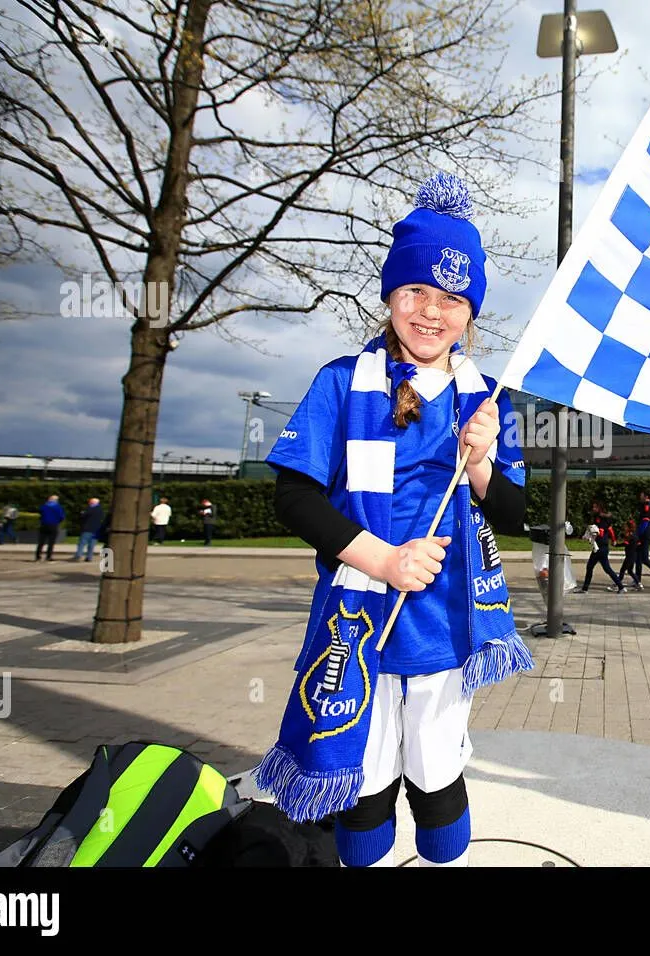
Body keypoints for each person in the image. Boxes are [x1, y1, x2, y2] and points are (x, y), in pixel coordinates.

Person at [252, 173, 532, 868]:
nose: (430, 312)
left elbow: (516, 514)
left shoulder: (486, 399)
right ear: (388, 296)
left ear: (471, 313)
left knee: (437, 779)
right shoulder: (342, 382)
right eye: (414, 292)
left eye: (451, 298)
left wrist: (480, 462)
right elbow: (292, 496)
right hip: (360, 621)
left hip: (445, 621)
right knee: (366, 785)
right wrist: (380, 559)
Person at [576, 501, 623, 593]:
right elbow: (610, 529)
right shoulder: (605, 518)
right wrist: (613, 540)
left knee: (590, 567)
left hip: (599, 546)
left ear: (599, 508)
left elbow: (600, 532)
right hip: (603, 546)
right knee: (606, 568)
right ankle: (620, 586)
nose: (593, 509)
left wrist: (591, 535)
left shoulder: (599, 518)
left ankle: (585, 588)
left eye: (595, 507)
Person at [35, 494, 64, 561]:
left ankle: (38, 556)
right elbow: (61, 516)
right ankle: (48, 556)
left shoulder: (44, 506)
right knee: (51, 542)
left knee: (41, 541)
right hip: (53, 525)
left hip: (44, 524)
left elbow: (40, 513)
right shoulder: (57, 507)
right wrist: (57, 521)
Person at [75, 497, 104, 561]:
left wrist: (82, 513)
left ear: (92, 502)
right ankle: (89, 557)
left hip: (87, 528)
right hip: (96, 529)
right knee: (91, 545)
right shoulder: (101, 510)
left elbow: (83, 516)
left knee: (82, 543)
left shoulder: (89, 509)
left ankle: (78, 555)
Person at [615, 519, 641, 590]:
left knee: (622, 570)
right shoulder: (635, 535)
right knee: (630, 571)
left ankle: (618, 584)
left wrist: (616, 545)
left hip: (629, 556)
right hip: (634, 555)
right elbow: (639, 544)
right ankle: (639, 583)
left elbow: (625, 543)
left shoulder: (630, 536)